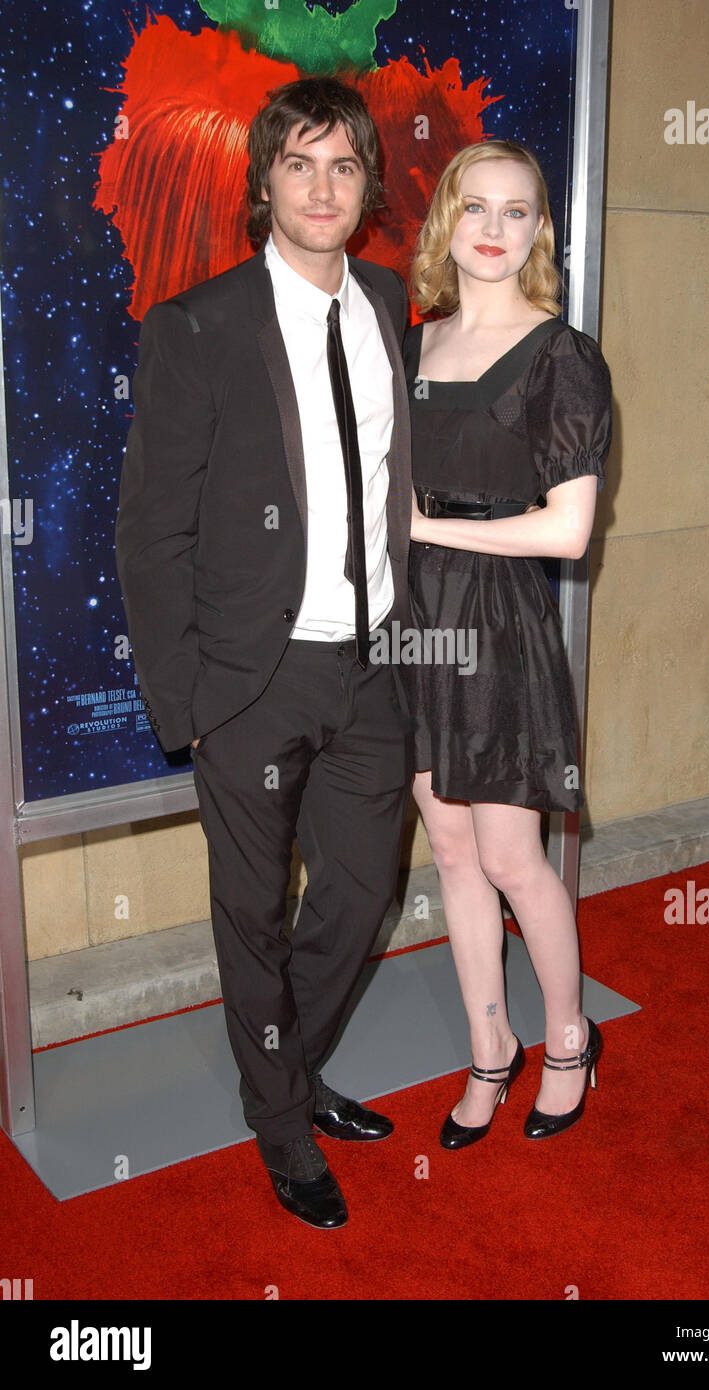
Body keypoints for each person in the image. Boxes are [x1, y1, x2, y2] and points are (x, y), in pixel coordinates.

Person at [115, 77, 414, 1228]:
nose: (324, 186)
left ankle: (288, 1066)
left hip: (372, 661)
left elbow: (397, 486)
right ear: (265, 184)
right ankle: (282, 1124)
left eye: (344, 166)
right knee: (251, 909)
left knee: (360, 888)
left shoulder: (388, 305)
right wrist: (183, 700)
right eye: (301, 163)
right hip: (253, 677)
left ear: (367, 185)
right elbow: (153, 530)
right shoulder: (199, 326)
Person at [403, 139, 612, 1148]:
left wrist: (424, 527)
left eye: (517, 211)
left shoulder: (560, 354)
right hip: (411, 622)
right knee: (446, 845)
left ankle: (567, 1037)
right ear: (446, 219)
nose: (492, 228)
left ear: (539, 230)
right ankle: (491, 1052)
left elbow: (567, 530)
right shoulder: (415, 344)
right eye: (474, 207)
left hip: (495, 617)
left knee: (511, 855)